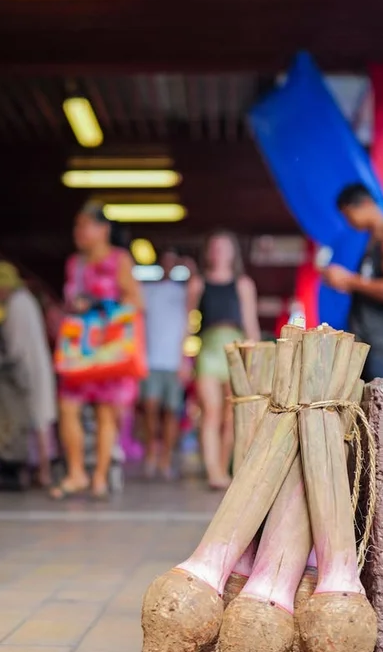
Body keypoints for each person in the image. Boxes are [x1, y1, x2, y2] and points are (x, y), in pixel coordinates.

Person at [51, 201, 143, 500]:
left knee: (106, 413)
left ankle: (100, 477)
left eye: (84, 225)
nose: (78, 232)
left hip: (109, 347)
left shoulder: (120, 260)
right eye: (76, 226)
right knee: (67, 407)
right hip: (80, 347)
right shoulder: (74, 264)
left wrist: (102, 307)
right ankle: (76, 472)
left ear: (103, 229)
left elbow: (135, 302)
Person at [188, 231, 261, 490]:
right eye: (215, 247)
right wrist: (182, 359)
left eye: (224, 247)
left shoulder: (243, 284)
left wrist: (254, 359)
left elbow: (251, 324)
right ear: (208, 251)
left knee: (232, 415)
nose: (219, 251)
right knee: (210, 412)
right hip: (208, 351)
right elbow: (188, 324)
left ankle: (224, 467)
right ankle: (213, 472)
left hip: (236, 350)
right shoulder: (198, 283)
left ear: (233, 252)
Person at [0, 261, 57, 487]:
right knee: (39, 419)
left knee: (36, 419)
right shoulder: (24, 300)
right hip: (33, 366)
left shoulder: (17, 304)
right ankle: (42, 469)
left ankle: (43, 471)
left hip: (27, 370)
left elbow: (16, 346)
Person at [321, 183, 383, 380]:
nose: (349, 221)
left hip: (380, 344)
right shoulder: (372, 242)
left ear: (365, 204)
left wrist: (349, 280)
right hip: (365, 341)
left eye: (348, 214)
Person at [141, 249, 189, 480]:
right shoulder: (147, 290)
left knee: (171, 412)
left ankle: (166, 457)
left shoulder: (185, 292)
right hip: (150, 360)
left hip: (174, 362)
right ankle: (152, 448)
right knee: (150, 409)